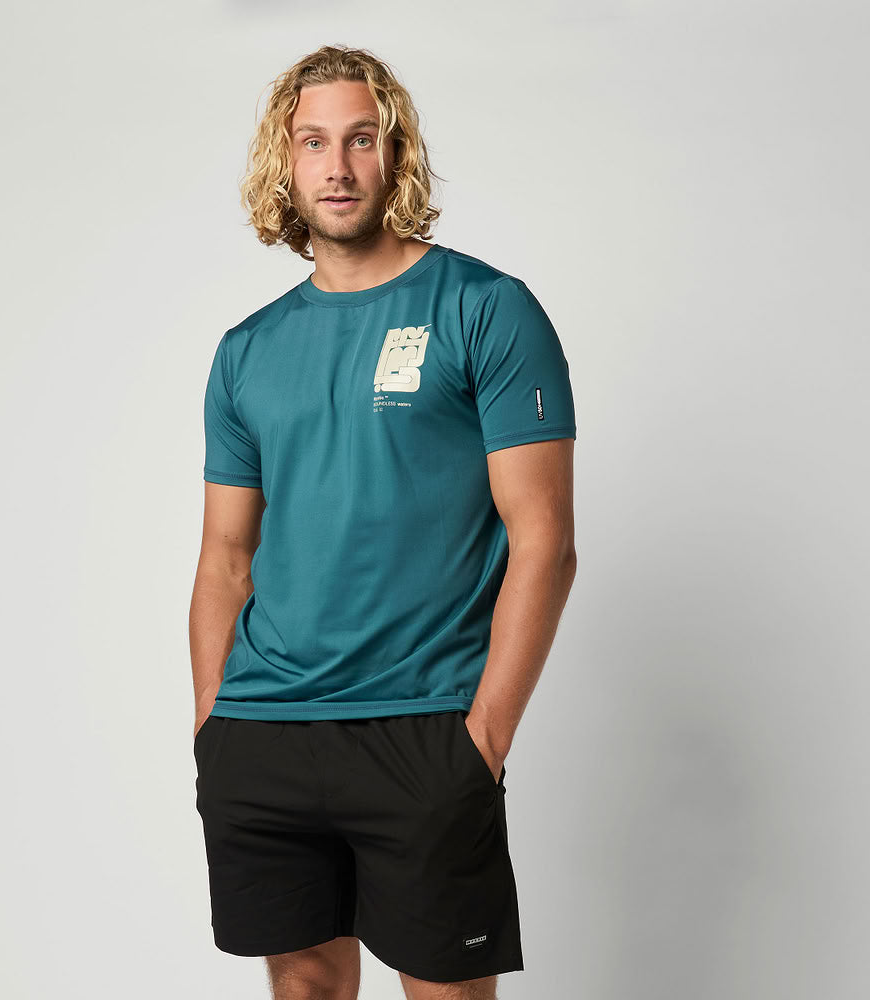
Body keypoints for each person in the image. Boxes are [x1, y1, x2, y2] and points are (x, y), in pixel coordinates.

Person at [189, 43, 577, 1000]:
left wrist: (482, 740)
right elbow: (225, 559)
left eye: (361, 139)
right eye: (314, 142)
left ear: (395, 152)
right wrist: (213, 728)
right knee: (305, 987)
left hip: (424, 727)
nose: (338, 166)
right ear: (285, 162)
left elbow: (545, 542)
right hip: (265, 732)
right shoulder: (247, 350)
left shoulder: (486, 309)